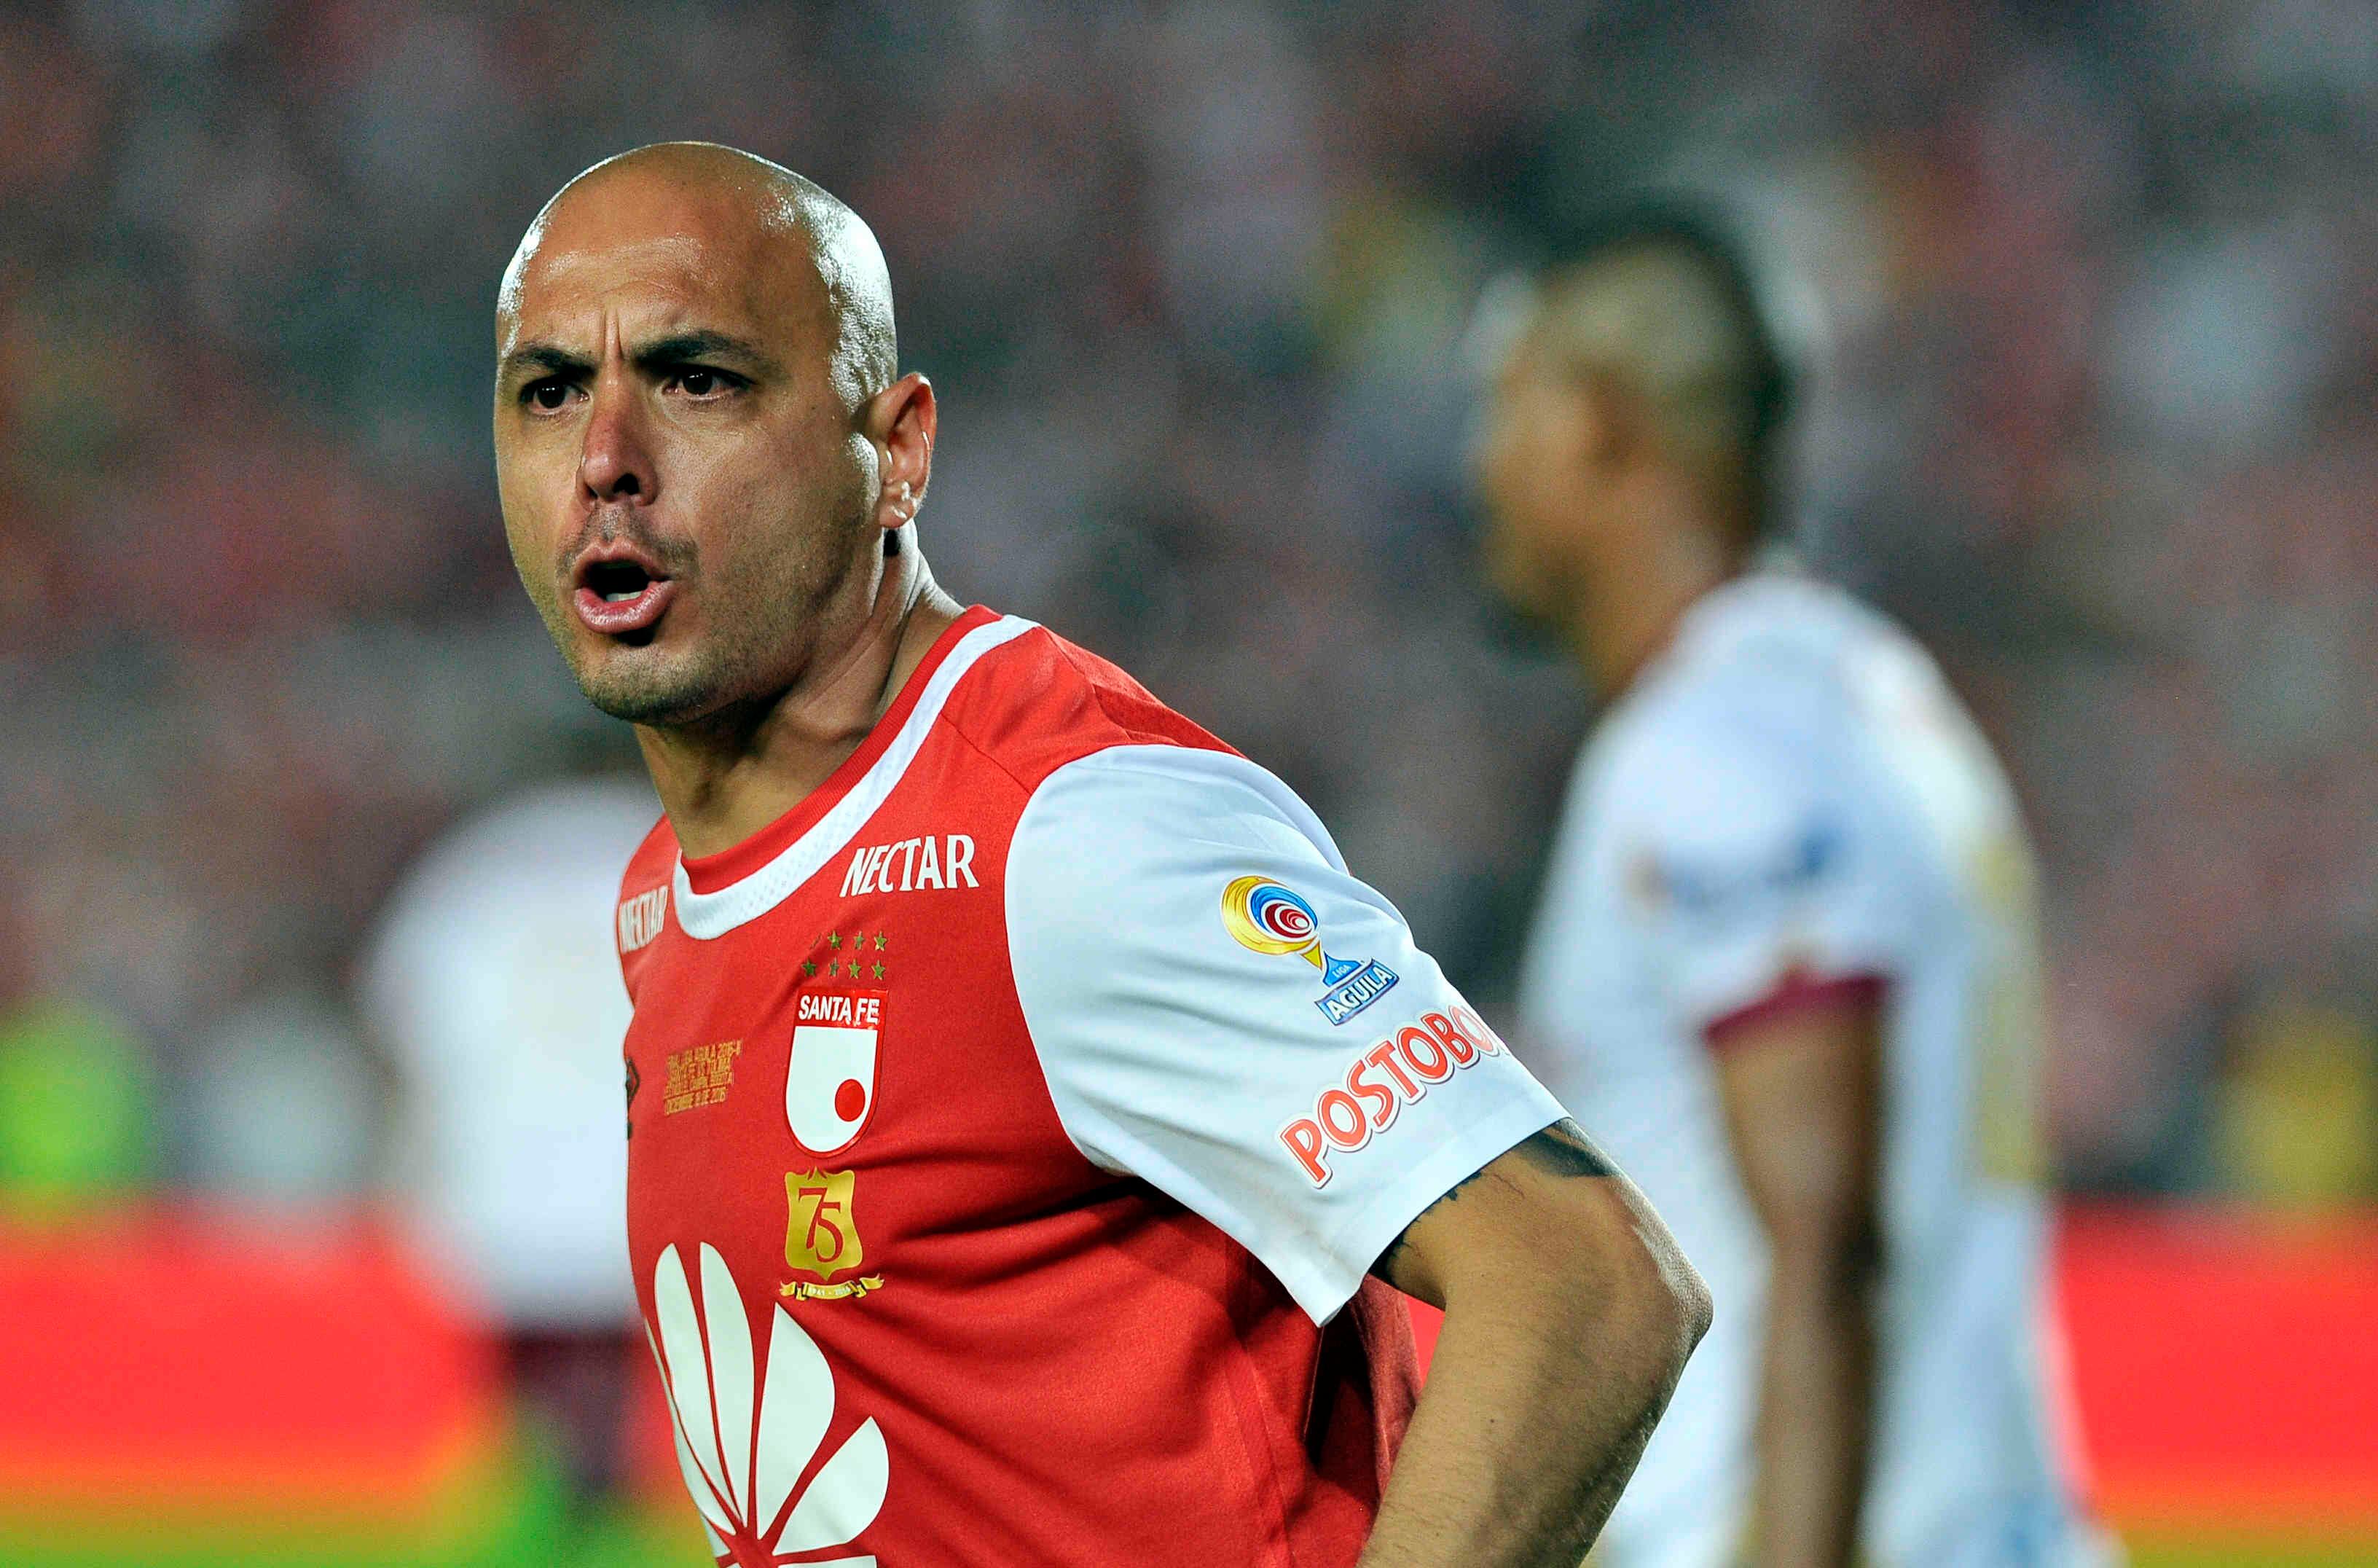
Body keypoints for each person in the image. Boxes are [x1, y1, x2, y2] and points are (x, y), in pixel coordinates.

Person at [487, 141, 1708, 1568]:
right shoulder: (664, 897)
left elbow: (1588, 1284)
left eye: (699, 380)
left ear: (900, 452)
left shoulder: (1067, 831)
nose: (605, 458)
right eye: (551, 388)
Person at [1472, 206, 2116, 1568]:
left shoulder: (1714, 748)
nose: (1485, 464)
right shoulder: (1871, 697)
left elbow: (1827, 1248)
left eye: (1508, 407)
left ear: (1599, 425)